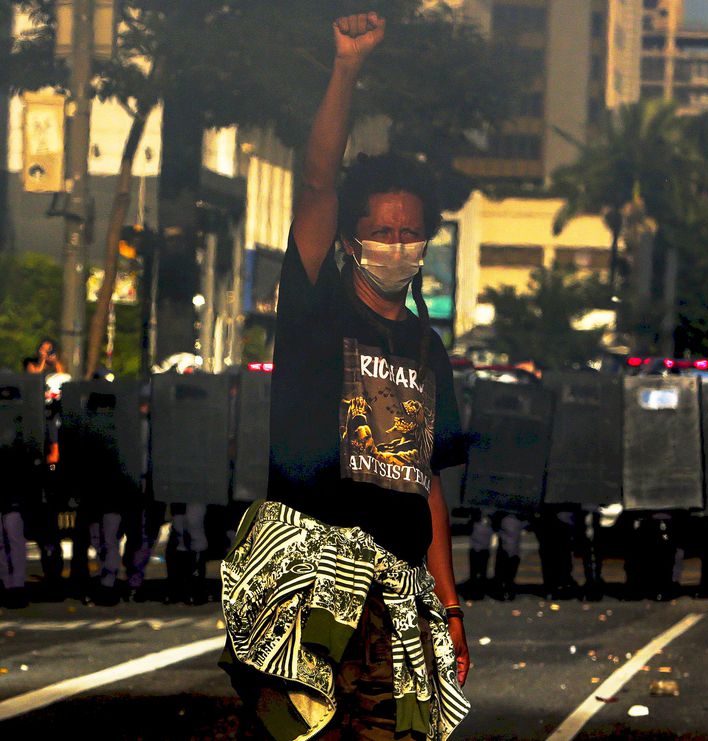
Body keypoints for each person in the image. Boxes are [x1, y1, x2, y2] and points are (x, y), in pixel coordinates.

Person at [219, 13, 469, 740]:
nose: (396, 244)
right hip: (306, 595)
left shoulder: (427, 347)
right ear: (353, 238)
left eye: (408, 232)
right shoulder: (314, 308)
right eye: (381, 230)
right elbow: (319, 179)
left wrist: (449, 608)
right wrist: (346, 69)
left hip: (395, 602)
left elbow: (428, 484)